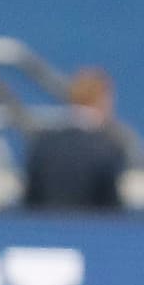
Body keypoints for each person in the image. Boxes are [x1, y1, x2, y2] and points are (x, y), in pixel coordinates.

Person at [25, 68, 126, 210]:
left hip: (46, 229)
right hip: (92, 229)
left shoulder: (43, 144)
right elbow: (112, 209)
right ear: (102, 100)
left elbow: (29, 202)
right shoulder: (107, 150)